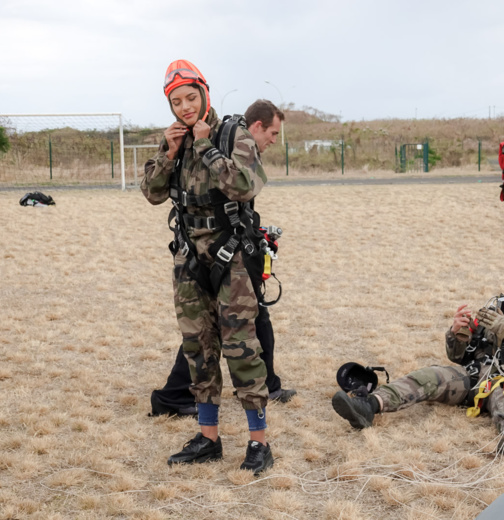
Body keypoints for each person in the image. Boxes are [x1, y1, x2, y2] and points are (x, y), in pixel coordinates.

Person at [141, 59, 283, 475]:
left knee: (241, 350)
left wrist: (204, 145)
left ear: (205, 94)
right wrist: (169, 152)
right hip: (188, 258)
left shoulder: (231, 133)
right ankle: (208, 438)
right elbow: (151, 193)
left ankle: (259, 442)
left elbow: (244, 185)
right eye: (176, 102)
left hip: (231, 256)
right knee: (198, 350)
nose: (185, 107)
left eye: (191, 97)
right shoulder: (175, 140)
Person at [149, 102, 297, 420]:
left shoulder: (233, 145)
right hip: (219, 250)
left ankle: (267, 384)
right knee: (210, 327)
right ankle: (175, 394)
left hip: (238, 242)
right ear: (256, 126)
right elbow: (237, 188)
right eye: (272, 133)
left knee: (245, 317)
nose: (274, 140)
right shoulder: (228, 142)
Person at [332, 260, 504, 455]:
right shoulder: (495, 308)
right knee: (430, 375)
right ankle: (368, 407)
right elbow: (458, 357)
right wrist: (457, 334)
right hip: (475, 378)